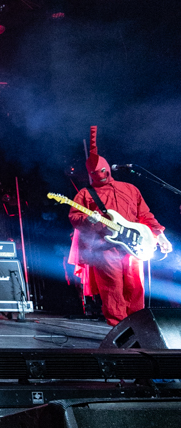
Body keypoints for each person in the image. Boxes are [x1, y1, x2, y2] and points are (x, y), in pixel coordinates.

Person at [68, 126, 171, 326]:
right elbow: (74, 217)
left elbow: (145, 216)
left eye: (102, 171)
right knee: (112, 288)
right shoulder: (86, 194)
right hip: (104, 246)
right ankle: (119, 327)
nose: (100, 175)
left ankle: (138, 326)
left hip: (133, 244)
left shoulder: (130, 189)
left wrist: (160, 236)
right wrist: (88, 220)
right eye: (95, 173)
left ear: (108, 167)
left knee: (136, 286)